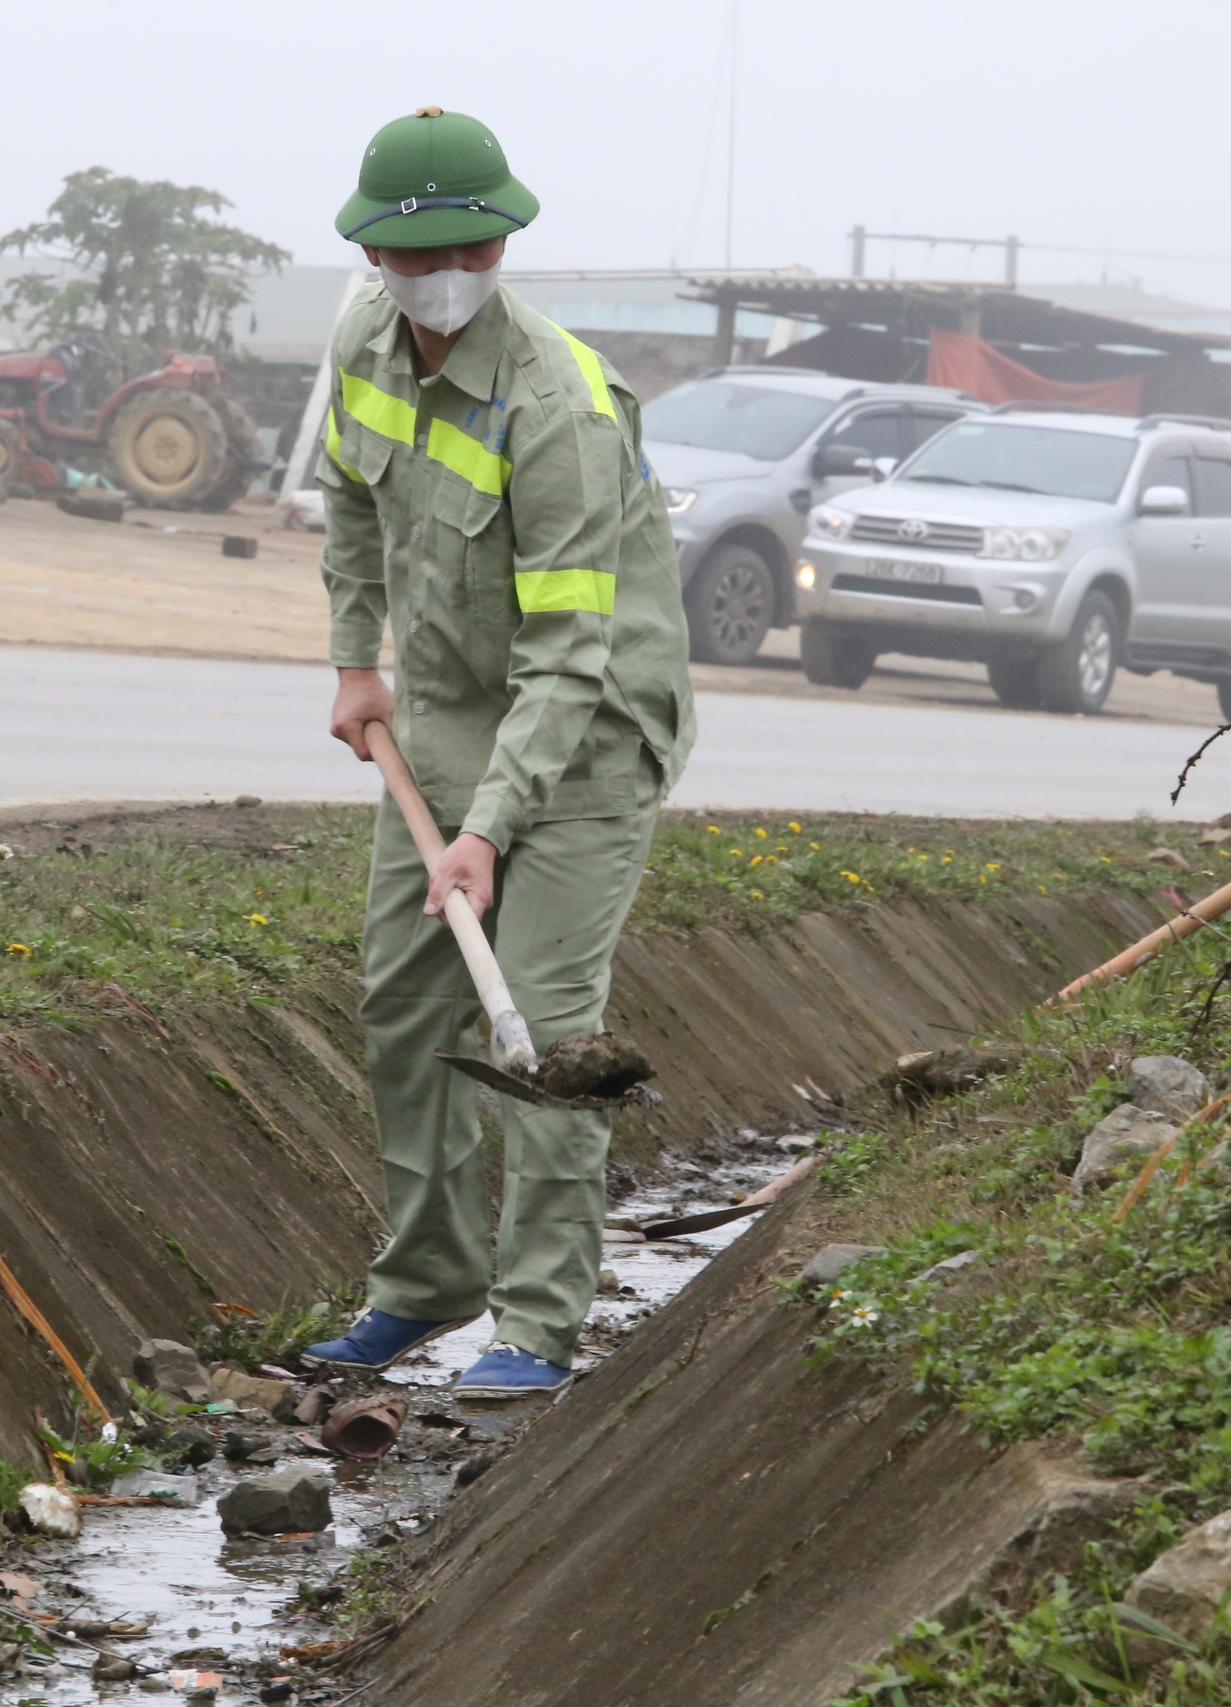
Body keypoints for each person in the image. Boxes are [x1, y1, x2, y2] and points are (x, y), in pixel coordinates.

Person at [299, 108, 695, 1398]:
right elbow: (351, 509)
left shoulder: (562, 407)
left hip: (586, 743)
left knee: (543, 1033)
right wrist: (359, 661)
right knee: (406, 1006)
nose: (442, 276)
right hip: (445, 724)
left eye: (467, 246)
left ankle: (536, 1323)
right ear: (374, 259)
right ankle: (425, 1285)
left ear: (505, 236)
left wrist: (489, 831)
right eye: (414, 258)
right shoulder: (363, 342)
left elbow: (571, 656)